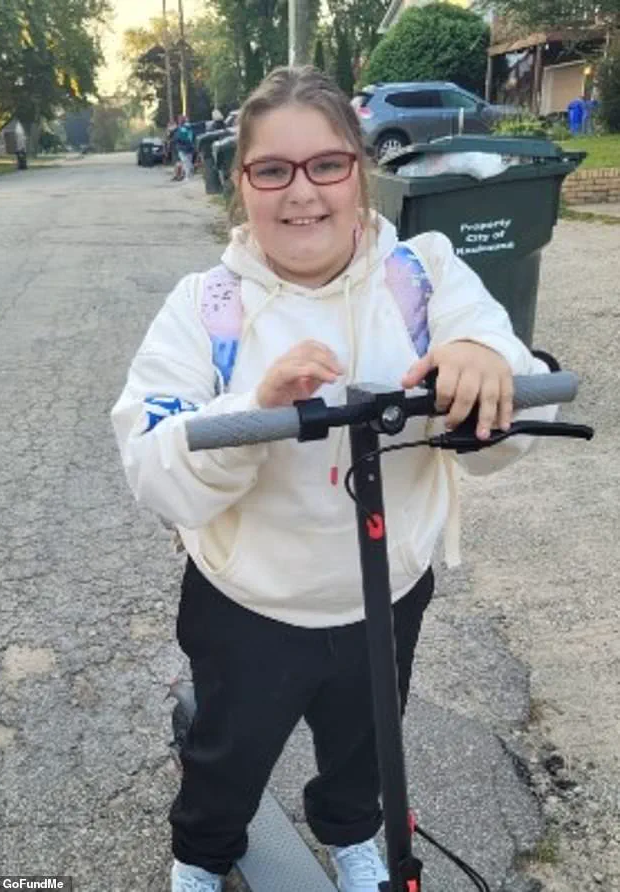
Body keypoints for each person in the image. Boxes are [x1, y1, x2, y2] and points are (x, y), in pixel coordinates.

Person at [111, 66, 556, 892]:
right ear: (241, 183)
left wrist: (482, 359)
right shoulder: (204, 306)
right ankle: (201, 855)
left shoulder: (423, 276)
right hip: (248, 604)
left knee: (365, 746)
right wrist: (255, 407)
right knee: (227, 755)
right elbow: (153, 465)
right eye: (272, 170)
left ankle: (352, 836)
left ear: (361, 170)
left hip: (386, 592)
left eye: (326, 164)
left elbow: (513, 409)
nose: (302, 192)